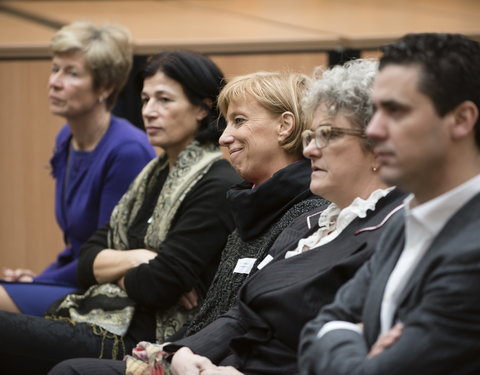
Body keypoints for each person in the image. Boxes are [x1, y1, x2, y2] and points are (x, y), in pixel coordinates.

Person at [48, 59, 407, 375]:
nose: (310, 147)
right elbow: (240, 315)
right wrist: (178, 354)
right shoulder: (309, 222)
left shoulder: (379, 226)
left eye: (326, 135)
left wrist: (190, 358)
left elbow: (161, 283)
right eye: (313, 135)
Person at [0, 50, 241, 375]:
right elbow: (87, 259)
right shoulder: (152, 175)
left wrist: (122, 266)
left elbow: (158, 286)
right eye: (145, 99)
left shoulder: (215, 182)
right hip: (106, 315)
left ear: (202, 108)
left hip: (144, 338)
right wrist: (138, 258)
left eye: (164, 100)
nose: (149, 112)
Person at [299, 33, 480, 375]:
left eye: (395, 111)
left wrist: (343, 338)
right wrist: (353, 339)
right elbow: (317, 327)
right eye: (376, 110)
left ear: (461, 120)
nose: (375, 129)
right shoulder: (404, 222)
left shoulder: (473, 248)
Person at [0, 21, 156, 317]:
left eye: (71, 73)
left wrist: (38, 282)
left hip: (104, 292)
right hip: (73, 278)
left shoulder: (127, 151)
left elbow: (103, 254)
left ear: (106, 87)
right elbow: (75, 248)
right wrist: (34, 279)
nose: (55, 81)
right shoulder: (67, 139)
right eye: (55, 68)